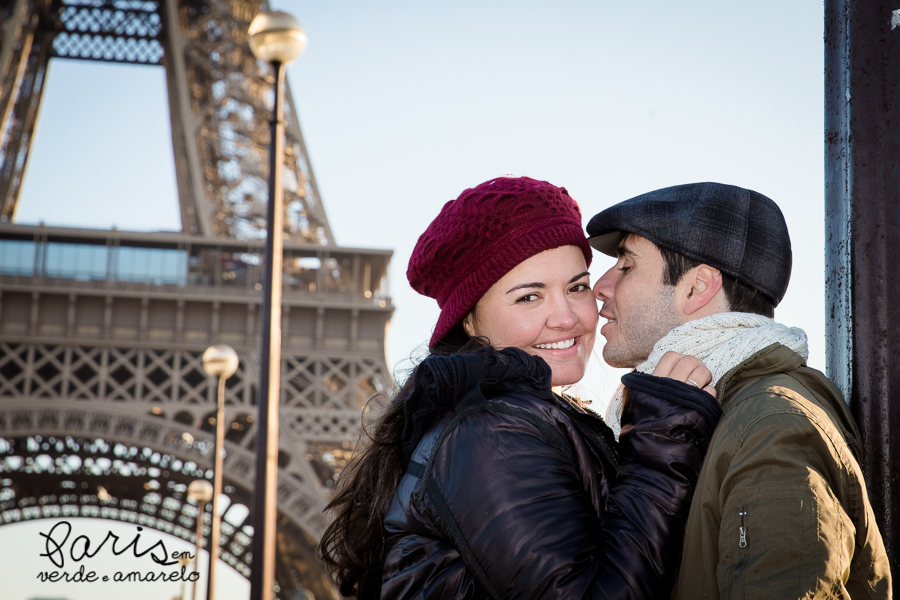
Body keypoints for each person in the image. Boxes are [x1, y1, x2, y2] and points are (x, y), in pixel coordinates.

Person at [319, 176, 722, 599]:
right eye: (529, 297)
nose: (566, 318)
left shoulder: (515, 419)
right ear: (469, 321)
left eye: (577, 287)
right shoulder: (489, 434)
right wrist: (662, 445)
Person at [587, 181, 892, 600]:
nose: (599, 287)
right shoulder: (698, 413)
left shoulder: (770, 425)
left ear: (697, 287)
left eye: (626, 265)